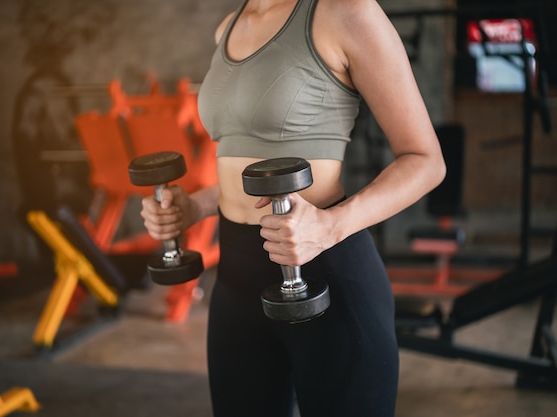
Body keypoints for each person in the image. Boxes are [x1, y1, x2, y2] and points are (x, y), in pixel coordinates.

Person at [140, 0, 446, 416]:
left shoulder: (347, 13)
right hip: (235, 283)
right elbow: (243, 167)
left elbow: (426, 161)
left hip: (327, 277)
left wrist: (329, 227)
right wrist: (194, 207)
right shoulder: (228, 27)